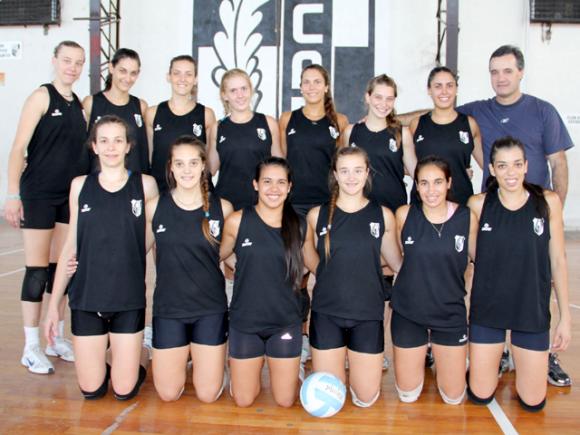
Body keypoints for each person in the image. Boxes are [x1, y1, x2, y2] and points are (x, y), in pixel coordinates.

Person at [457, 45, 574, 385]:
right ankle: (495, 351)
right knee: (488, 278)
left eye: (507, 70)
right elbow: (438, 112)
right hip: (497, 214)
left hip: (534, 214)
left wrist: (553, 214)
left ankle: (544, 353)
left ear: (521, 72)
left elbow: (559, 164)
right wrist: (390, 116)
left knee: (538, 285)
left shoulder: (542, 111)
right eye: (494, 71)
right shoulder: (479, 110)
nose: (501, 78)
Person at [44, 115, 158, 400]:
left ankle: (140, 352)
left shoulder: (145, 185)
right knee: (92, 391)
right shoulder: (80, 186)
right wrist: (54, 306)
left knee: (123, 390)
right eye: (104, 141)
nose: (111, 147)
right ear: (94, 146)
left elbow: (149, 239)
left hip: (127, 298)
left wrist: (121, 254)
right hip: (87, 298)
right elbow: (70, 246)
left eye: (118, 140)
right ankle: (110, 356)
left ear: (128, 146)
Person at [466, 137, 571, 411]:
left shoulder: (547, 202)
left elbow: (558, 260)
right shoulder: (478, 205)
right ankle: (494, 359)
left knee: (533, 401)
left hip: (530, 307)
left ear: (526, 166)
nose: (510, 172)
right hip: (489, 307)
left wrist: (565, 318)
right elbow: (472, 259)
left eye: (516, 164)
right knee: (480, 394)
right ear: (492, 169)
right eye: (502, 166)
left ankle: (518, 360)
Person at [5, 40, 88, 374]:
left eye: (78, 62)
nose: (72, 67)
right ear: (55, 61)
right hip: (39, 193)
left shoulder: (79, 105)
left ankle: (55, 337)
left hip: (68, 198)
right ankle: (31, 346)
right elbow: (18, 148)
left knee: (61, 269)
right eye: (67, 60)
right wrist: (13, 195)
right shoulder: (41, 97)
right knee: (37, 270)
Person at [304, 146, 402, 408]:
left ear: (367, 173)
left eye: (358, 170)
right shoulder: (316, 215)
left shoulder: (382, 215)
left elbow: (395, 262)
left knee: (365, 398)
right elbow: (308, 255)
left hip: (367, 314)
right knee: (331, 397)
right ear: (335, 174)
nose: (351, 177)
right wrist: (328, 272)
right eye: (344, 171)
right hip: (327, 313)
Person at [146, 136, 232, 402]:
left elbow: (234, 256)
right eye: (180, 163)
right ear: (170, 167)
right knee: (168, 394)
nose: (187, 170)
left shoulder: (222, 208)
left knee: (208, 394)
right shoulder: (155, 207)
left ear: (204, 165)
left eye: (193, 163)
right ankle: (189, 358)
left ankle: (214, 365)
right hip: (170, 309)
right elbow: (133, 253)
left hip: (210, 309)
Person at [390, 156, 477, 405]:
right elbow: (396, 260)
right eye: (424, 183)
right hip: (409, 311)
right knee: (407, 395)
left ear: (449, 183)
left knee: (453, 397)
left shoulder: (466, 217)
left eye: (438, 182)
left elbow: (477, 262)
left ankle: (452, 357)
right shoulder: (404, 215)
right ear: (416, 186)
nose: (431, 190)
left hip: (449, 312)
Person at [220, 157, 306, 408]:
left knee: (285, 400)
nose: (274, 188)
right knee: (243, 400)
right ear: (255, 184)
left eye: (281, 182)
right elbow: (218, 256)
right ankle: (242, 377)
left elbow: (314, 264)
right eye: (267, 181)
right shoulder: (237, 221)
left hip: (285, 321)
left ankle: (296, 371)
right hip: (246, 322)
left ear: (289, 187)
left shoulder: (300, 225)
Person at [278, 63, 349, 365]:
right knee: (298, 275)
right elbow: (282, 161)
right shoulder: (287, 119)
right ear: (300, 86)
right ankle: (300, 336)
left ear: (326, 86)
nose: (311, 87)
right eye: (306, 82)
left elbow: (343, 165)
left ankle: (333, 338)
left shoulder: (339, 121)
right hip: (295, 206)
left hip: (326, 206)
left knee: (328, 270)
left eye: (317, 82)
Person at [343, 74, 413, 370]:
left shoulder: (400, 134)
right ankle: (351, 344)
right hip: (359, 214)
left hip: (392, 215)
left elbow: (415, 171)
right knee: (358, 276)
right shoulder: (351, 131)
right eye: (378, 97)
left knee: (386, 278)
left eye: (389, 98)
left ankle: (376, 345)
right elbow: (342, 171)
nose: (383, 103)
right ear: (367, 97)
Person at [208, 68, 282, 211]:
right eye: (233, 90)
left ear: (251, 90)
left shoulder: (268, 123)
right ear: (224, 95)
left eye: (244, 88)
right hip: (226, 204)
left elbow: (280, 167)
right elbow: (210, 170)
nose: (240, 95)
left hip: (261, 204)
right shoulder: (217, 128)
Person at [409, 67, 483, 205]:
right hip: (424, 204)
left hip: (460, 203)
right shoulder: (416, 124)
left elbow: (487, 165)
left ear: (456, 89)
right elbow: (406, 164)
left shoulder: (470, 124)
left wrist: (459, 172)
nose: (444, 91)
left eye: (449, 85)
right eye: (438, 86)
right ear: (429, 90)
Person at [146, 55, 217, 192]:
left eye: (188, 74)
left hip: (196, 193)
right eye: (177, 73)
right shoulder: (152, 113)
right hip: (162, 192)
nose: (182, 79)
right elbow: (150, 158)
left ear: (195, 79)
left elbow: (209, 163)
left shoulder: (206, 114)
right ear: (169, 77)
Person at [83, 48, 149, 174]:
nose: (128, 78)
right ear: (111, 68)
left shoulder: (141, 106)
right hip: (99, 182)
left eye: (133, 73)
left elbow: (145, 150)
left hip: (133, 181)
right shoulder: (91, 103)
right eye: (122, 71)